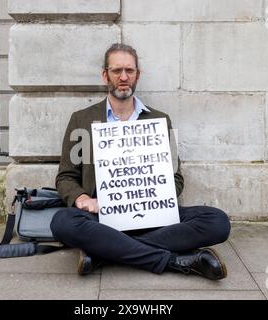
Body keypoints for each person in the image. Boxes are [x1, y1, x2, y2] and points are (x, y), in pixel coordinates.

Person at [51, 43, 231, 280]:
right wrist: (83, 199)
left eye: (129, 70)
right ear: (105, 75)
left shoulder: (159, 120)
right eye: (117, 71)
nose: (123, 77)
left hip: (152, 216)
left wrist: (157, 198)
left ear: (138, 75)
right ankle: (174, 261)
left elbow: (175, 178)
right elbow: (65, 177)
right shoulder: (82, 120)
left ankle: (104, 253)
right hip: (102, 218)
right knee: (62, 222)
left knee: (216, 221)